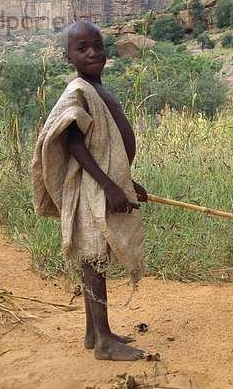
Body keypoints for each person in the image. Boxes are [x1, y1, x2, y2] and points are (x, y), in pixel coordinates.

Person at [31, 21, 148, 361]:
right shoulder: (77, 92)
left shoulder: (96, 88)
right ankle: (104, 344)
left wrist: (126, 182)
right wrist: (109, 185)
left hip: (104, 183)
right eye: (82, 49)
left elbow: (107, 145)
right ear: (67, 57)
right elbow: (75, 144)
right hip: (91, 188)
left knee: (93, 259)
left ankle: (93, 332)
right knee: (93, 260)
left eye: (97, 45)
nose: (93, 52)